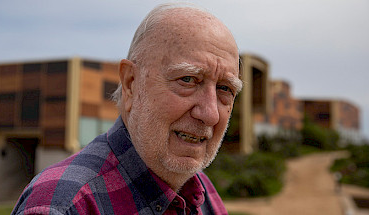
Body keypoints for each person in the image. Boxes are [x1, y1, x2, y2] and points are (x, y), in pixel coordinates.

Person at [12, 3, 242, 214]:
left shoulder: (202, 192)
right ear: (131, 83)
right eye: (188, 80)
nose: (210, 114)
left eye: (225, 89)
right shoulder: (63, 206)